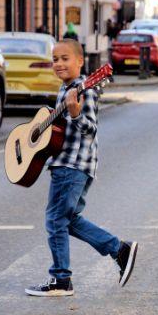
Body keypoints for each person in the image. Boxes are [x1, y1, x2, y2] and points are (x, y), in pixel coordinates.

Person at [25, 39, 138, 297]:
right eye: (55, 59)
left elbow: (90, 129)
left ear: (80, 61)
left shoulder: (83, 89)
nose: (59, 64)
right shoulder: (65, 89)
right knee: (68, 220)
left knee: (55, 220)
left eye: (65, 58)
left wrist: (75, 113)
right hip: (68, 163)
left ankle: (61, 279)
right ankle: (119, 249)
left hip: (71, 164)